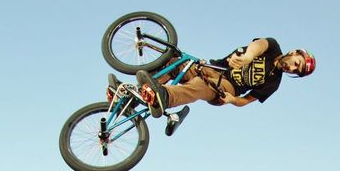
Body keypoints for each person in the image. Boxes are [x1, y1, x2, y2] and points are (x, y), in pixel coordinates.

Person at [135, 37, 316, 122]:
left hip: (227, 88)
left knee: (199, 86)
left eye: (296, 70)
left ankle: (165, 97)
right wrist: (247, 57)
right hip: (213, 68)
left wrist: (232, 100)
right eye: (295, 63)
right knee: (175, 63)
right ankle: (132, 98)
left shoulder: (273, 83)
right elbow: (258, 46)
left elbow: (246, 100)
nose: (291, 68)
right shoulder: (273, 47)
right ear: (293, 53)